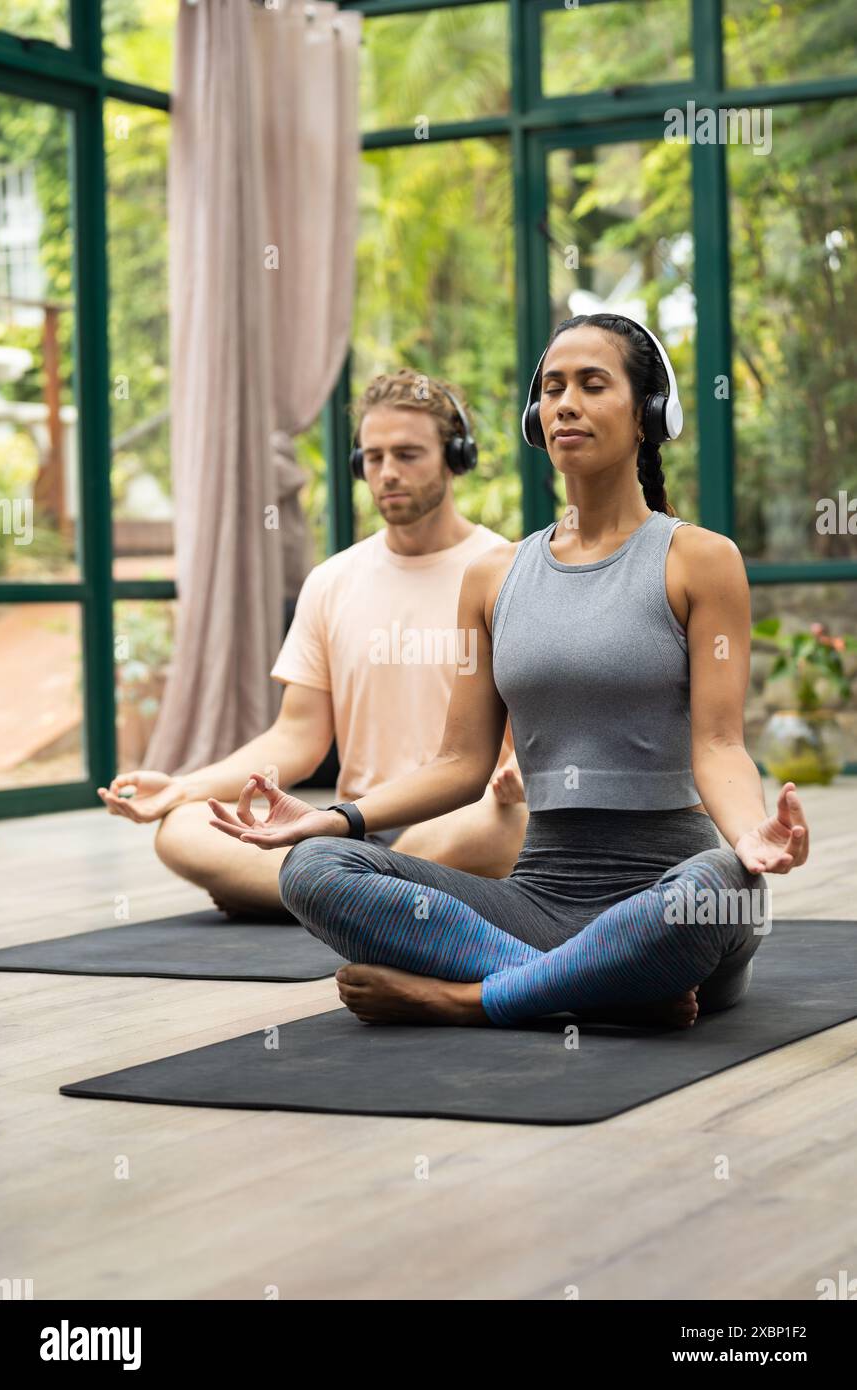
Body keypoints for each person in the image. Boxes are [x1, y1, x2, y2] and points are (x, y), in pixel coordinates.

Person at [208, 313, 810, 1029]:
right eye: (552, 388)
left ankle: (470, 997)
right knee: (313, 867)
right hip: (534, 902)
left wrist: (749, 836)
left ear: (648, 414)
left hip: (667, 892)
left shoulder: (700, 560)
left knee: (716, 886)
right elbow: (461, 764)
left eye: (592, 384)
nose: (565, 404)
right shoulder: (492, 577)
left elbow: (718, 745)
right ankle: (600, 986)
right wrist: (333, 818)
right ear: (534, 418)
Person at [97, 370, 528, 916]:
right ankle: (359, 896)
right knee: (182, 827)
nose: (388, 473)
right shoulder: (332, 580)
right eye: (373, 458)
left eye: (408, 454)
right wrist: (183, 786)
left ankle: (318, 894)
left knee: (512, 823)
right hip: (354, 828)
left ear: (455, 456)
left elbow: (548, 732)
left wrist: (522, 783)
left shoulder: (509, 571)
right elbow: (298, 736)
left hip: (461, 822)